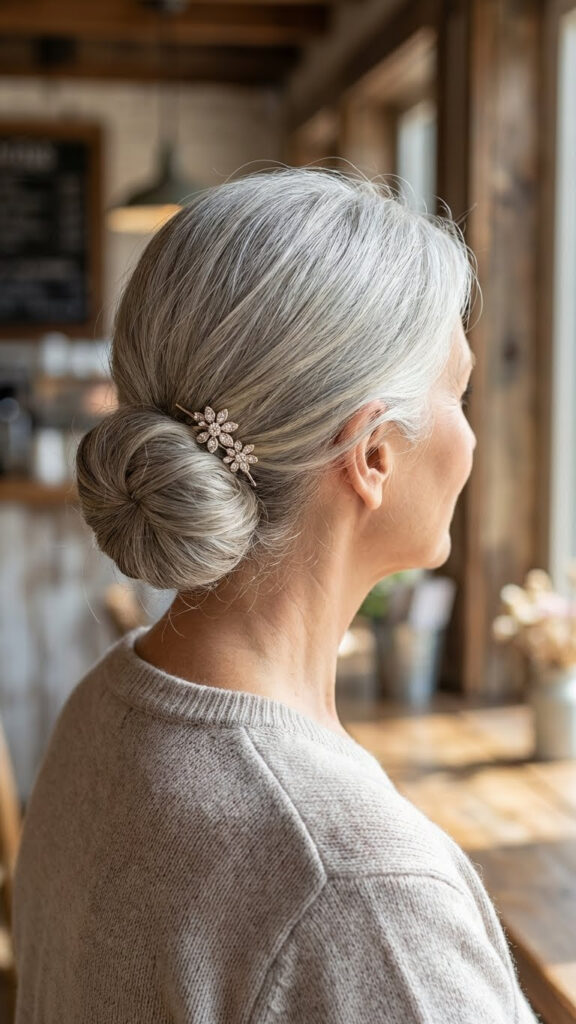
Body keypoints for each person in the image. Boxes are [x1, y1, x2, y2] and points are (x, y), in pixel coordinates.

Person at [11, 167, 541, 1022]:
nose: (472, 438)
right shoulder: (361, 889)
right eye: (458, 394)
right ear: (372, 456)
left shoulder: (104, 707)